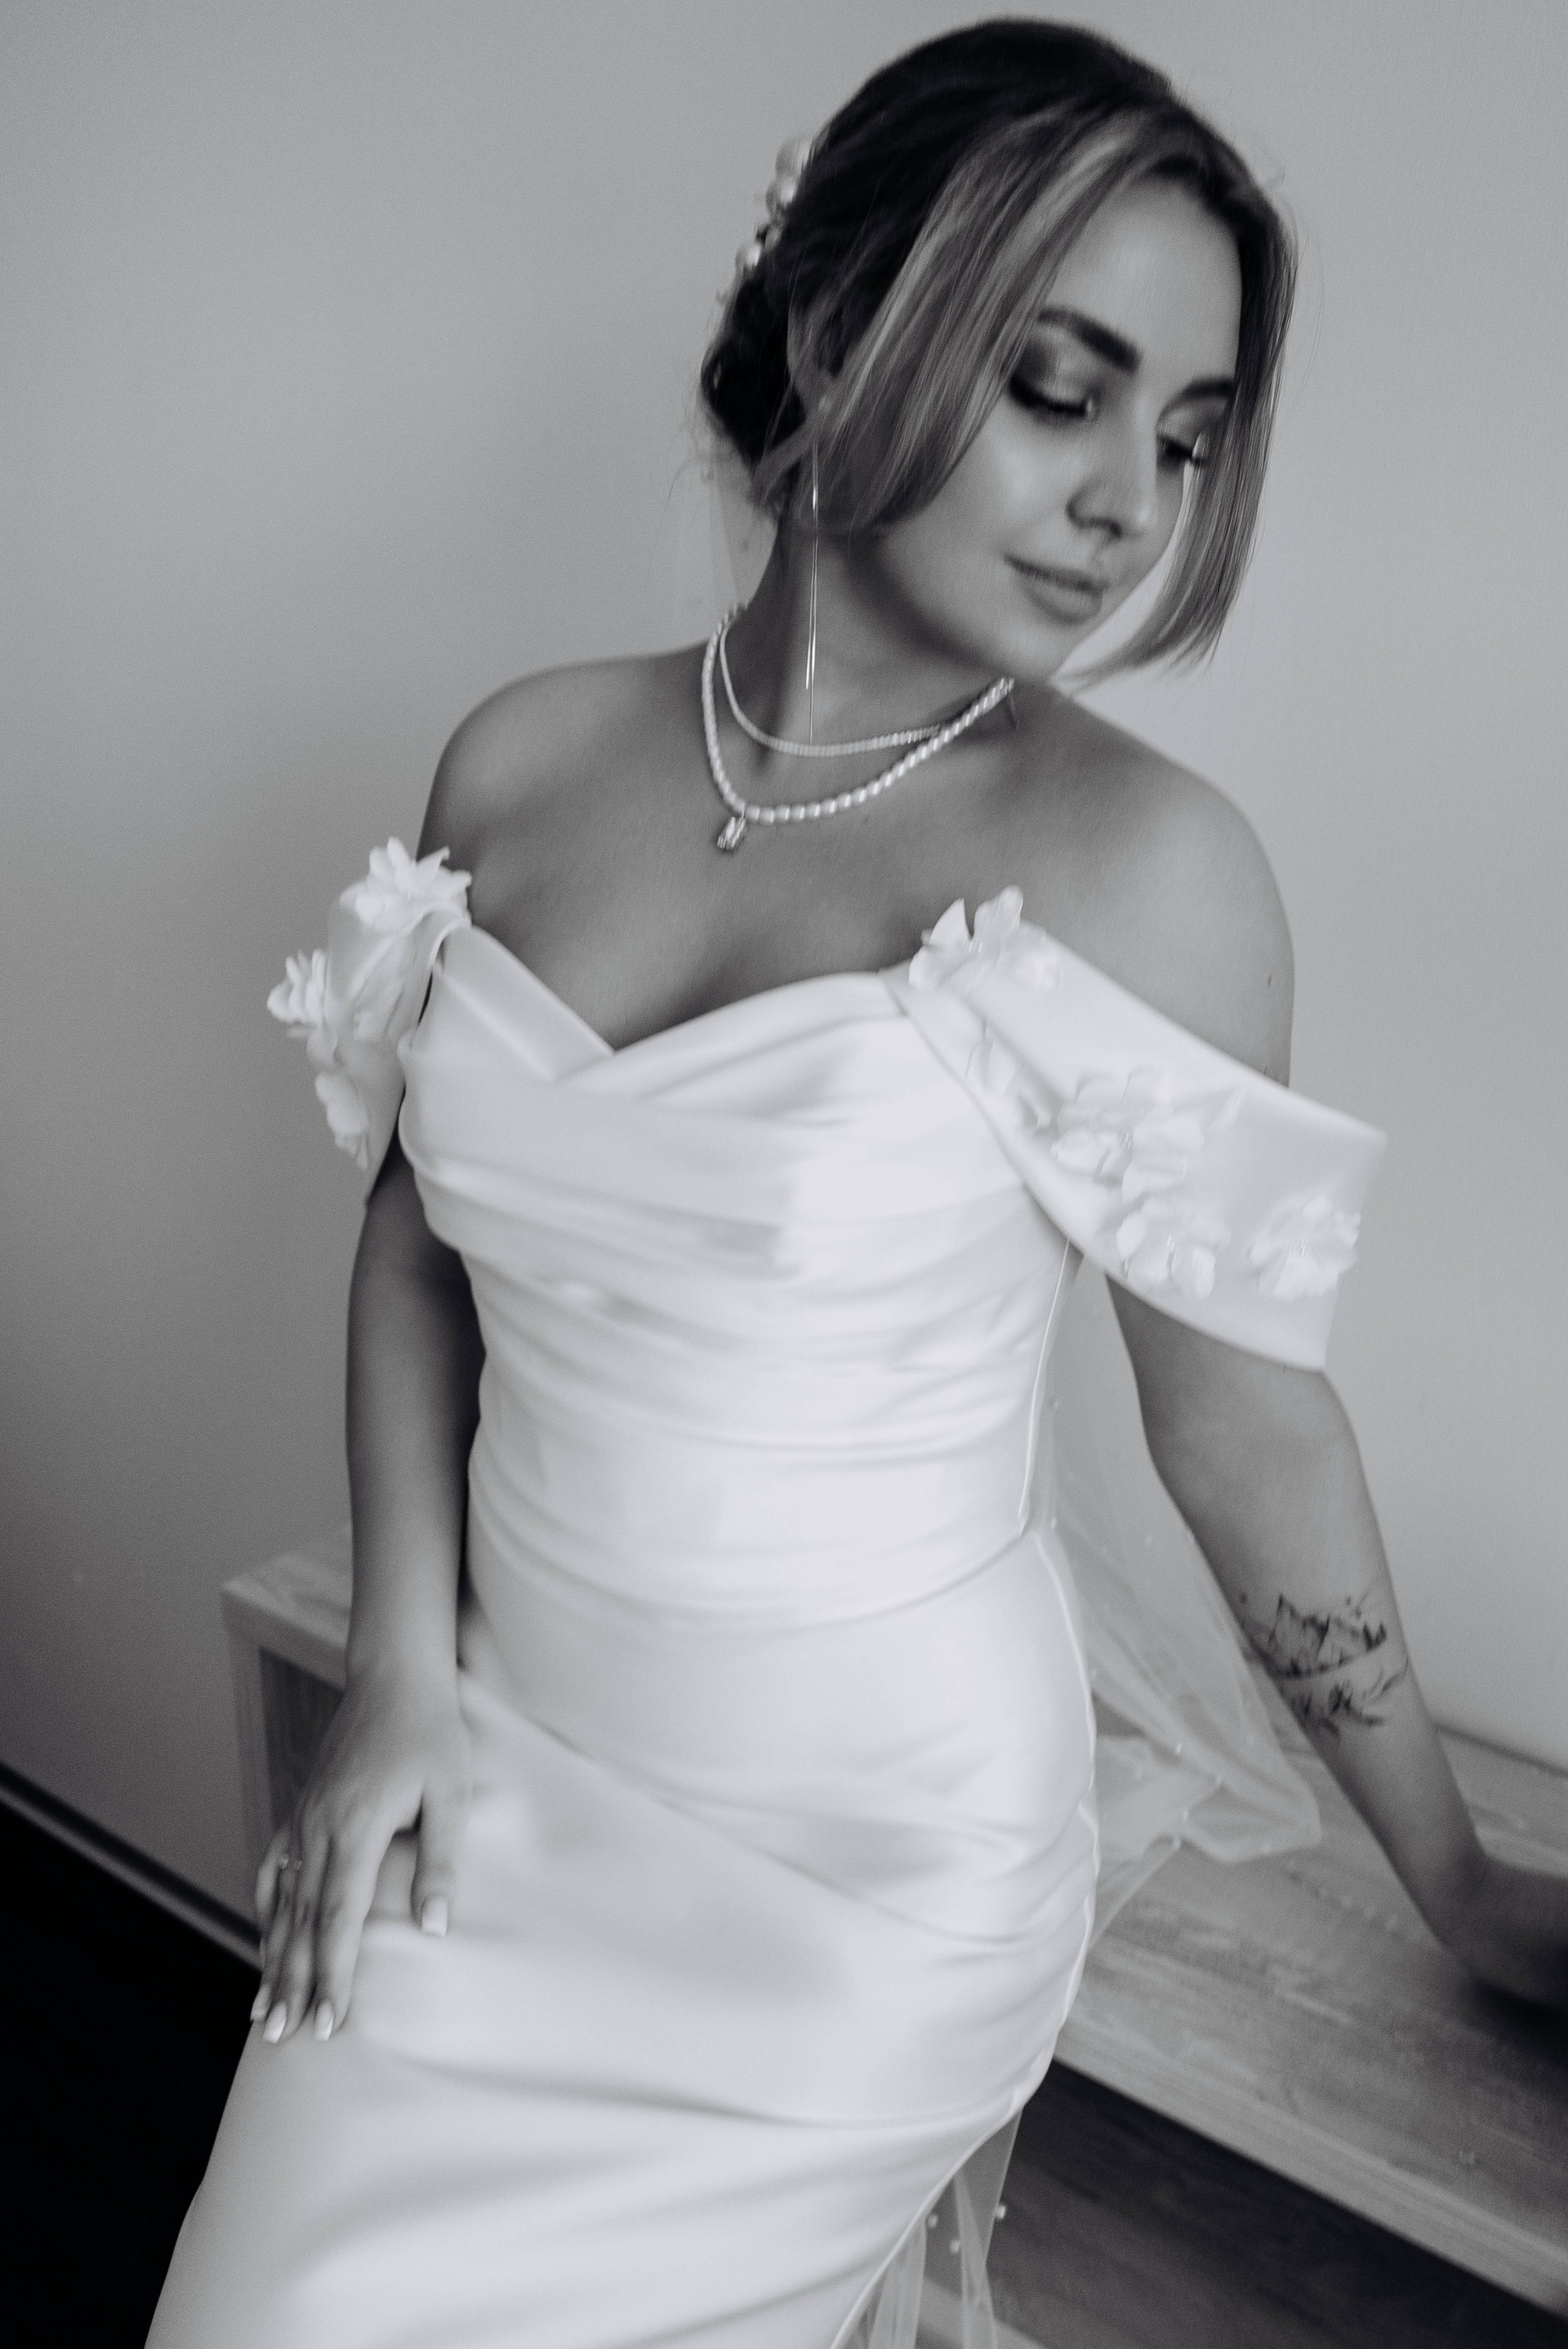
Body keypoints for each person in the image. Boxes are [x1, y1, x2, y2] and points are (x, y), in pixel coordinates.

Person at [149, 20, 1568, 2347]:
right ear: (833, 327)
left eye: (1185, 436)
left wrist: (1462, 1882)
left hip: (865, 1878)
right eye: (1061, 388)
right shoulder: (524, 756)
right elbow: (419, 1238)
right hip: (506, 1758)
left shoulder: (1148, 872)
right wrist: (401, 1674)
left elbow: (1247, 1439)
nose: (1131, 504)